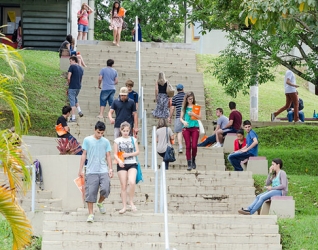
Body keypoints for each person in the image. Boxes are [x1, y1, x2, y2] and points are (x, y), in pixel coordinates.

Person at [78, 121, 113, 223]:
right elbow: (84, 154)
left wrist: (110, 168)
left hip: (103, 169)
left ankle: (100, 202)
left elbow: (108, 155)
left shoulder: (105, 141)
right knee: (91, 193)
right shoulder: (87, 140)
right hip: (91, 170)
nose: (100, 135)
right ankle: (90, 214)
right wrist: (80, 169)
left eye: (102, 133)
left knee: (106, 189)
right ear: (95, 130)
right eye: (98, 132)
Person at [113, 122, 139, 214]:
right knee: (123, 185)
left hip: (132, 163)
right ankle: (124, 206)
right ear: (121, 130)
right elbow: (115, 154)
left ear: (130, 130)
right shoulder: (117, 140)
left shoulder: (133, 139)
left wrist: (129, 154)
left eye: (127, 131)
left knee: (131, 182)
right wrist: (119, 161)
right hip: (122, 163)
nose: (125, 132)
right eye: (124, 131)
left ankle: (131, 201)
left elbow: (137, 151)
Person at [180, 91, 201, 171]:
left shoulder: (196, 106)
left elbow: (200, 117)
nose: (190, 100)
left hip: (195, 126)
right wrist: (183, 121)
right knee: (188, 145)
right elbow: (180, 118)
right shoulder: (184, 107)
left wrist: (193, 114)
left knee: (194, 145)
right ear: (186, 99)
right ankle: (189, 163)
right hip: (186, 127)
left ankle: (193, 159)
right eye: (189, 99)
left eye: (191, 99)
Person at [168, 84, 185, 153]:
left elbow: (172, 108)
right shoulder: (186, 96)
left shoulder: (175, 97)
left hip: (178, 116)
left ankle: (180, 146)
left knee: (179, 132)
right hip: (187, 117)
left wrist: (170, 117)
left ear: (177, 90)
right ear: (183, 89)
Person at [68, 56, 84, 122]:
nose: (70, 63)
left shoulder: (72, 67)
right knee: (74, 98)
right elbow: (81, 78)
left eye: (70, 61)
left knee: (72, 102)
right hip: (78, 86)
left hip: (72, 86)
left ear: (74, 60)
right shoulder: (81, 68)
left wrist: (69, 84)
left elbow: (69, 77)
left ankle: (73, 117)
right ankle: (79, 110)